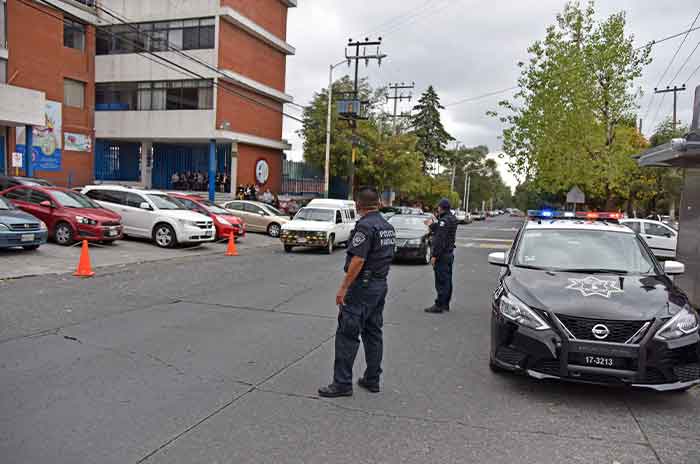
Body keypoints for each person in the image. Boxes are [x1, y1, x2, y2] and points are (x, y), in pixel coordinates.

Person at [318, 187, 396, 398]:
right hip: (379, 285)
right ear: (378, 203)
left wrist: (343, 288)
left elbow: (358, 259)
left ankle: (342, 383)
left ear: (358, 205)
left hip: (363, 286)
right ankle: (372, 379)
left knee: (347, 334)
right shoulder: (387, 226)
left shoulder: (365, 227)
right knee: (373, 332)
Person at [424, 198, 458, 314]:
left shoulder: (444, 221)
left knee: (441, 281)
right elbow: (440, 227)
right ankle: (445, 304)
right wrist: (433, 224)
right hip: (449, 254)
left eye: (438, 207)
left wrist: (434, 256)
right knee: (447, 280)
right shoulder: (451, 218)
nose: (437, 209)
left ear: (441, 208)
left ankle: (439, 305)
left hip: (442, 255)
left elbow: (440, 240)